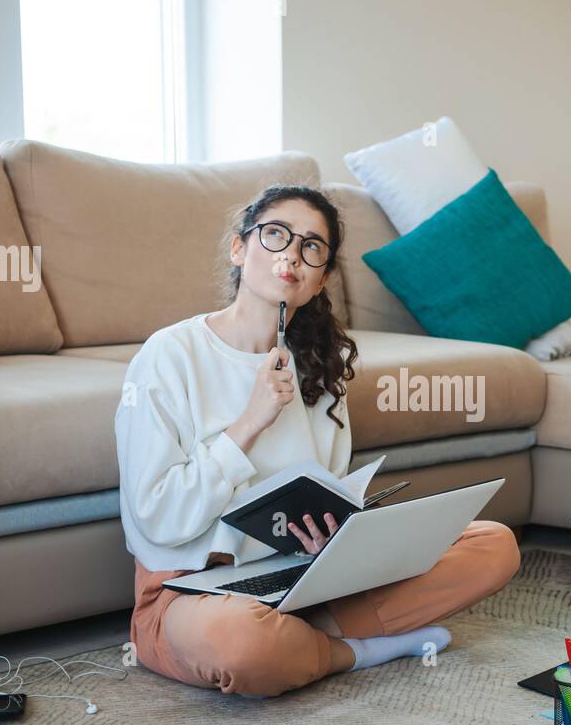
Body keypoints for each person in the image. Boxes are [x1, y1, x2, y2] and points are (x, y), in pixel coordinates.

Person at [115, 183, 521, 698]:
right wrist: (249, 423)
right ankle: (352, 650)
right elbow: (156, 518)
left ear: (321, 278)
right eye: (276, 235)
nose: (292, 255)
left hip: (299, 580)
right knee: (242, 644)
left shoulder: (318, 369)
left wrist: (331, 539)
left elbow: (323, 492)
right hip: (189, 592)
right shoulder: (169, 356)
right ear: (239, 248)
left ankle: (304, 639)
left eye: (312, 247)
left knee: (493, 545)